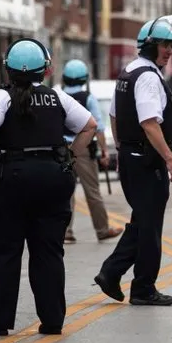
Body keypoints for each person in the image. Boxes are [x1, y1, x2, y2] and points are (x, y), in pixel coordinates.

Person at [0, 38, 96, 336]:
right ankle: (52, 320)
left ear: (8, 70)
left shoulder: (1, 98)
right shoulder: (58, 97)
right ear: (47, 70)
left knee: (5, 252)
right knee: (49, 252)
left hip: (11, 181)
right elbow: (89, 125)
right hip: (53, 178)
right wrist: (70, 156)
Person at [94, 14, 172, 307]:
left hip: (133, 156)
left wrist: (123, 150)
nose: (170, 51)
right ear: (149, 46)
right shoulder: (148, 77)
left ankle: (111, 273)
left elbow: (114, 115)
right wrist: (171, 161)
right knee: (149, 228)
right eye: (165, 45)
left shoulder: (129, 72)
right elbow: (150, 123)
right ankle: (143, 288)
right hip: (147, 161)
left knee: (142, 222)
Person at [61, 59, 122, 244]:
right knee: (93, 192)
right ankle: (102, 230)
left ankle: (65, 232)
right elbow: (98, 127)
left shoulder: (58, 96)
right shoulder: (87, 98)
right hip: (84, 151)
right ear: (84, 78)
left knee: (65, 193)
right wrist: (104, 151)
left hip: (62, 150)